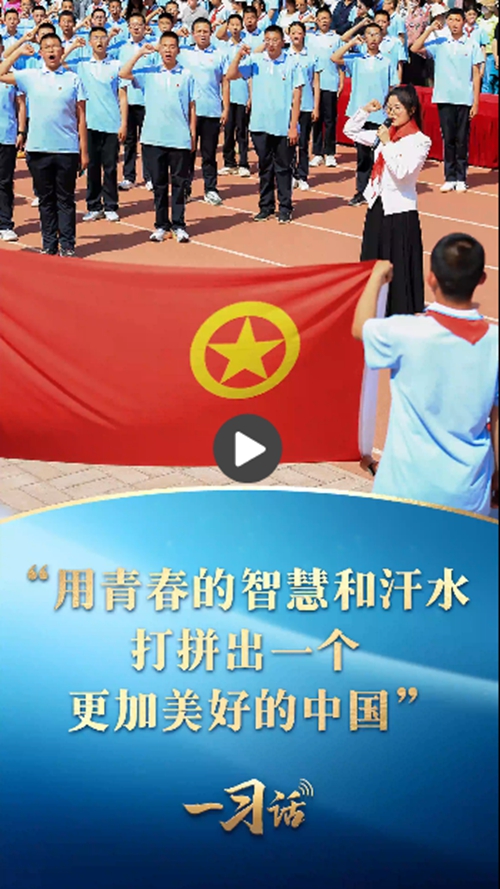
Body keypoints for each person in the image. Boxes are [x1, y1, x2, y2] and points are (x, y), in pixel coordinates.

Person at [352, 235, 499, 516]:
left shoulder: (405, 332)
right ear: (481, 279)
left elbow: (361, 327)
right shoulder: (495, 344)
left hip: (403, 490)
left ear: (431, 279)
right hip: (468, 493)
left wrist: (376, 277)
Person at [345, 85, 431, 314]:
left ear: (411, 110)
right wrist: (365, 111)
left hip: (400, 210)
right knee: (372, 259)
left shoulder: (420, 141)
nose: (392, 113)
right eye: (389, 108)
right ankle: (372, 304)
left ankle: (400, 308)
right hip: (377, 205)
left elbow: (403, 172)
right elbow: (350, 131)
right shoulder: (385, 133)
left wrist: (387, 144)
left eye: (397, 108)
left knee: (398, 263)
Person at [0, 32, 88, 256]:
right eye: (46, 47)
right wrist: (18, 52)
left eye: (55, 46)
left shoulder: (73, 79)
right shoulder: (30, 76)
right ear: (40, 53)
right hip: (38, 149)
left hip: (67, 149)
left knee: (65, 199)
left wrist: (84, 151)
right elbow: (1, 73)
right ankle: (49, 244)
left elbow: (81, 117)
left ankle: (67, 244)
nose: (51, 50)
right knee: (46, 200)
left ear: (62, 51)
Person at [119, 30, 195, 241]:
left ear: (178, 50)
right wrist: (140, 53)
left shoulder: (187, 74)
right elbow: (123, 73)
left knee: (179, 184)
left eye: (172, 46)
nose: (168, 50)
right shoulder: (149, 73)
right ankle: (161, 225)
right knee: (159, 185)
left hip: (179, 138)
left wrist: (192, 133)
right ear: (159, 49)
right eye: (165, 46)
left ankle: (179, 225)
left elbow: (192, 106)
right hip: (153, 138)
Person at [226, 24, 304, 223]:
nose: (271, 44)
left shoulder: (292, 63)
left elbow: (297, 96)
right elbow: (231, 75)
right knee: (265, 167)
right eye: (267, 40)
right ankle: (266, 206)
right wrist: (238, 56)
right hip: (260, 125)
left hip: (283, 126)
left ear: (283, 41)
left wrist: (293, 126)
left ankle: (285, 207)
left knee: (283, 168)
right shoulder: (256, 60)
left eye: (275, 40)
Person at [411, 7, 483, 192]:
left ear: (464, 22)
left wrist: (476, 102)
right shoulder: (440, 42)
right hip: (444, 97)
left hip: (464, 98)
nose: (454, 23)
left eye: (457, 20)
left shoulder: (472, 44)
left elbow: (476, 74)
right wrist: (429, 29)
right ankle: (449, 177)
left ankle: (461, 177)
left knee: (462, 139)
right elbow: (414, 48)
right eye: (450, 20)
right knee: (448, 138)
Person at [332, 22, 399, 206]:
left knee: (380, 156)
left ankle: (379, 192)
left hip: (380, 116)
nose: (373, 38)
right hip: (360, 114)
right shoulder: (357, 59)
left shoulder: (387, 62)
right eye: (369, 34)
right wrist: (351, 43)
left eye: (376, 34)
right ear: (364, 37)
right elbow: (335, 57)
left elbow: (393, 87)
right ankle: (361, 191)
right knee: (363, 157)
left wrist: (391, 112)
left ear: (381, 38)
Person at [72, 25, 127, 222]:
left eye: (103, 37)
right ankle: (94, 205)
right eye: (95, 38)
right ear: (89, 42)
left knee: (110, 167)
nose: (99, 41)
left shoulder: (116, 65)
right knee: (92, 166)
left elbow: (122, 96)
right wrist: (72, 47)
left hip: (111, 123)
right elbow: (59, 63)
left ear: (108, 41)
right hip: (90, 123)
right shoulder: (82, 65)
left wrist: (123, 123)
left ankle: (111, 205)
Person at [179, 16, 228, 205]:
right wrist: (175, 33)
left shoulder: (219, 54)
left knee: (209, 154)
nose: (202, 34)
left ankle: (211, 189)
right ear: (192, 33)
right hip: (188, 112)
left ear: (211, 33)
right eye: (198, 31)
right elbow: (161, 48)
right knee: (187, 153)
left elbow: (225, 82)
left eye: (205, 31)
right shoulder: (184, 53)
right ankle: (185, 188)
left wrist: (226, 108)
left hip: (211, 110)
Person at [118, 11, 154, 190]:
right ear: (129, 28)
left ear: (145, 27)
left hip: (147, 100)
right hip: (129, 100)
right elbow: (121, 73)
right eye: (133, 25)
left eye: (139, 24)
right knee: (129, 141)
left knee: (147, 141)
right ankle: (129, 176)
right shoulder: (123, 48)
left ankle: (149, 176)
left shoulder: (152, 47)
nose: (136, 28)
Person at [308, 5, 343, 168]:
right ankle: (317, 153)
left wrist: (341, 81)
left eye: (326, 18)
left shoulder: (336, 39)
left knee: (330, 119)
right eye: (321, 18)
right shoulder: (310, 38)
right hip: (313, 84)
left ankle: (330, 153)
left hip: (330, 82)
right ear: (316, 20)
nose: (324, 21)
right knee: (316, 118)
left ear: (330, 20)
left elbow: (341, 62)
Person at [288, 19, 321, 189]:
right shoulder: (284, 56)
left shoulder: (312, 56)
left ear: (304, 35)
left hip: (306, 104)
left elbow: (316, 83)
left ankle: (302, 175)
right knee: (289, 142)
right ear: (288, 35)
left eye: (299, 33)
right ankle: (291, 174)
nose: (296, 36)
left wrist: (316, 106)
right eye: (293, 32)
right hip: (289, 106)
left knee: (303, 143)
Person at [0, 33, 26, 241]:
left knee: (5, 181)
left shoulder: (14, 75)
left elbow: (21, 105)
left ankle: (5, 224)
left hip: (6, 135)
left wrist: (21, 131)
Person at [220, 13, 251, 177]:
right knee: (228, 130)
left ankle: (244, 163)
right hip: (227, 95)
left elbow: (250, 74)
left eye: (237, 24)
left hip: (242, 94)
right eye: (231, 24)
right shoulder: (223, 47)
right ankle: (229, 162)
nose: (235, 27)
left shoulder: (247, 46)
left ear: (242, 26)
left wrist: (250, 96)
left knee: (242, 131)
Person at [479, 1, 499, 93]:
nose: (483, 9)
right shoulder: (479, 20)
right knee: (482, 78)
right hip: (480, 52)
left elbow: (495, 39)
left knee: (490, 79)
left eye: (485, 7)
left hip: (491, 53)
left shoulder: (496, 20)